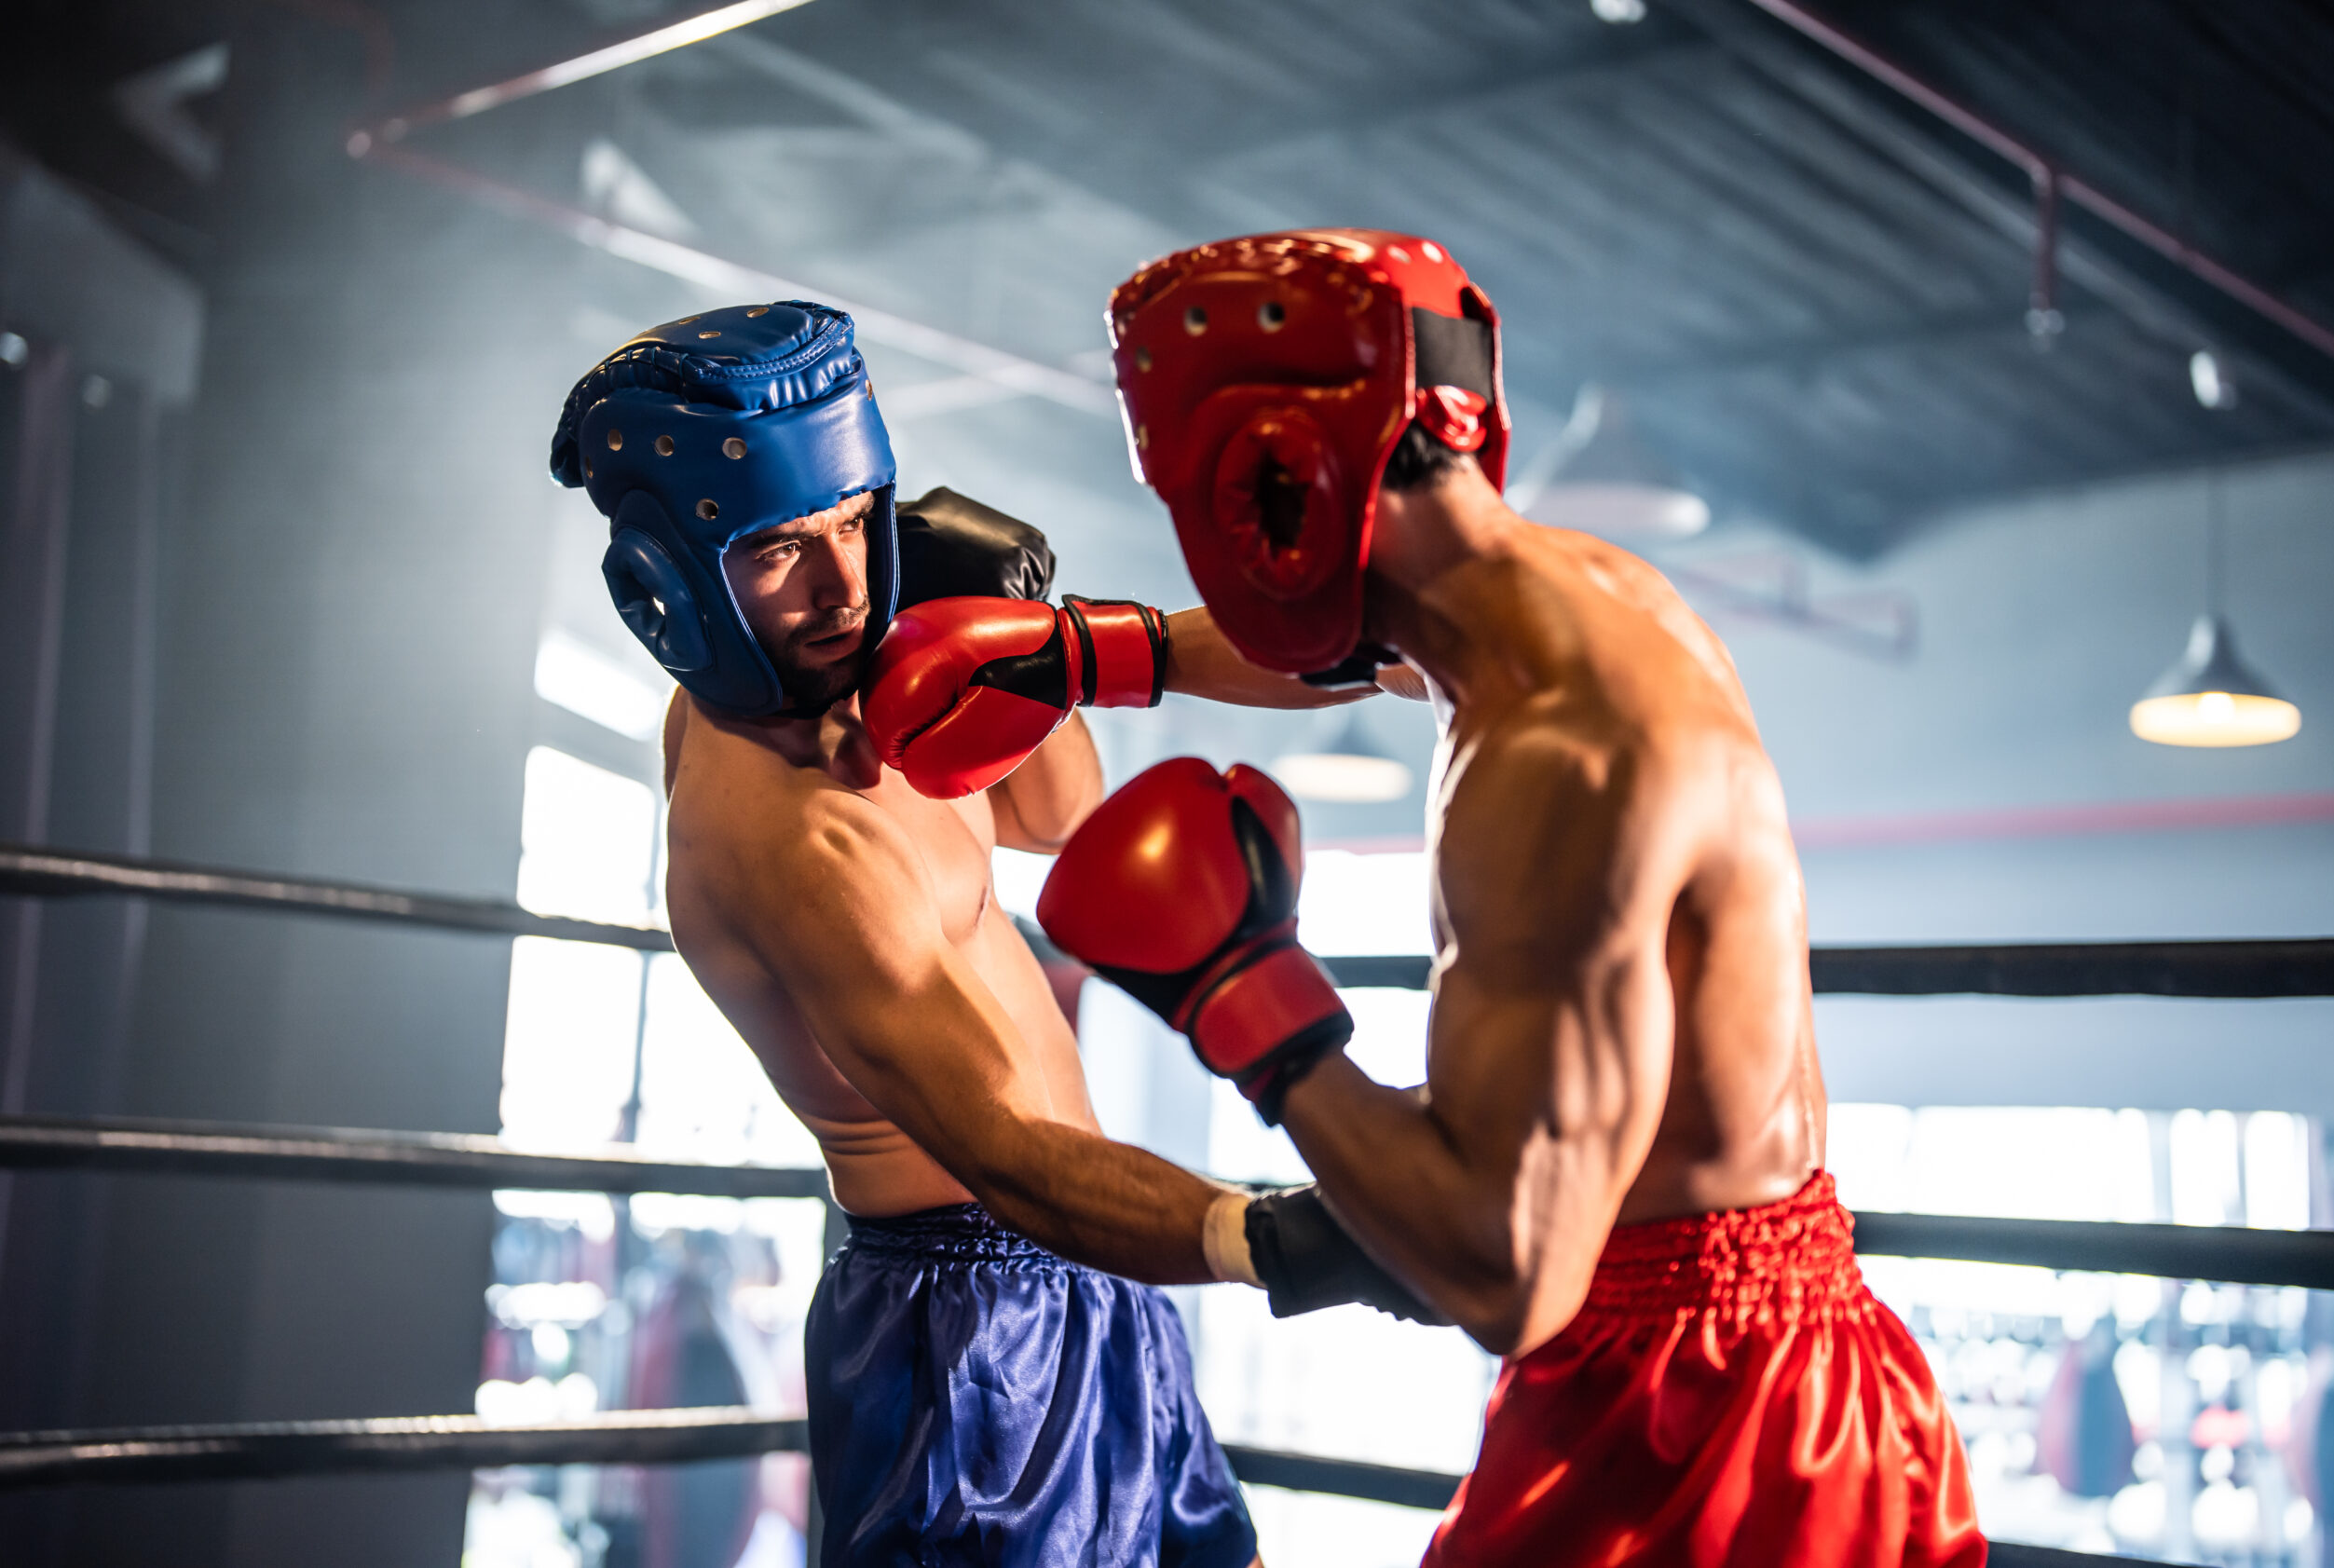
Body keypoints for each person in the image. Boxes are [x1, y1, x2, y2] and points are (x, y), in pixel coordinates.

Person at [1024, 231, 1990, 1566]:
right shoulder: (1586, 599)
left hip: (1676, 1417)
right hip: (1806, 1373)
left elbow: (1505, 1273)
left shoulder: (1555, 761)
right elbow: (1356, 651)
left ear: (1270, 482)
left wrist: (1245, 1002)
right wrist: (1101, 653)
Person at [548, 299, 1438, 1568]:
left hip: (1095, 1267)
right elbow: (1009, 1158)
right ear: (668, 578)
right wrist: (1294, 1236)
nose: (843, 585)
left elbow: (1052, 810)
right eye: (781, 548)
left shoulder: (836, 656)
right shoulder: (794, 844)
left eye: (858, 523)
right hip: (970, 1322)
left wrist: (1379, 647)